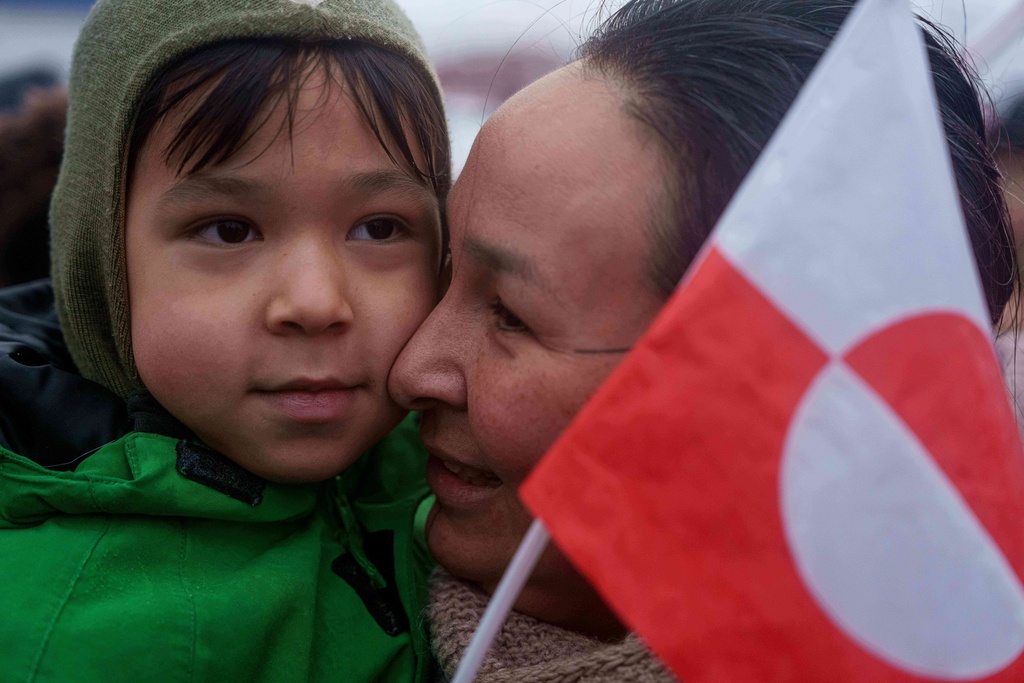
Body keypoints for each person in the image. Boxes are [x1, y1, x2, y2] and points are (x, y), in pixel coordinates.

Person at [389, 0, 1018, 680]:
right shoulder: (325, 537)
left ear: (764, 396)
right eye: (445, 268)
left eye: (510, 315)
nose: (411, 369)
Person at [0, 0, 449, 681]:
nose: (315, 303)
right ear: (101, 263)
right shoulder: (68, 641)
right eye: (229, 230)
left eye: (379, 228)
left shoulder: (472, 480)